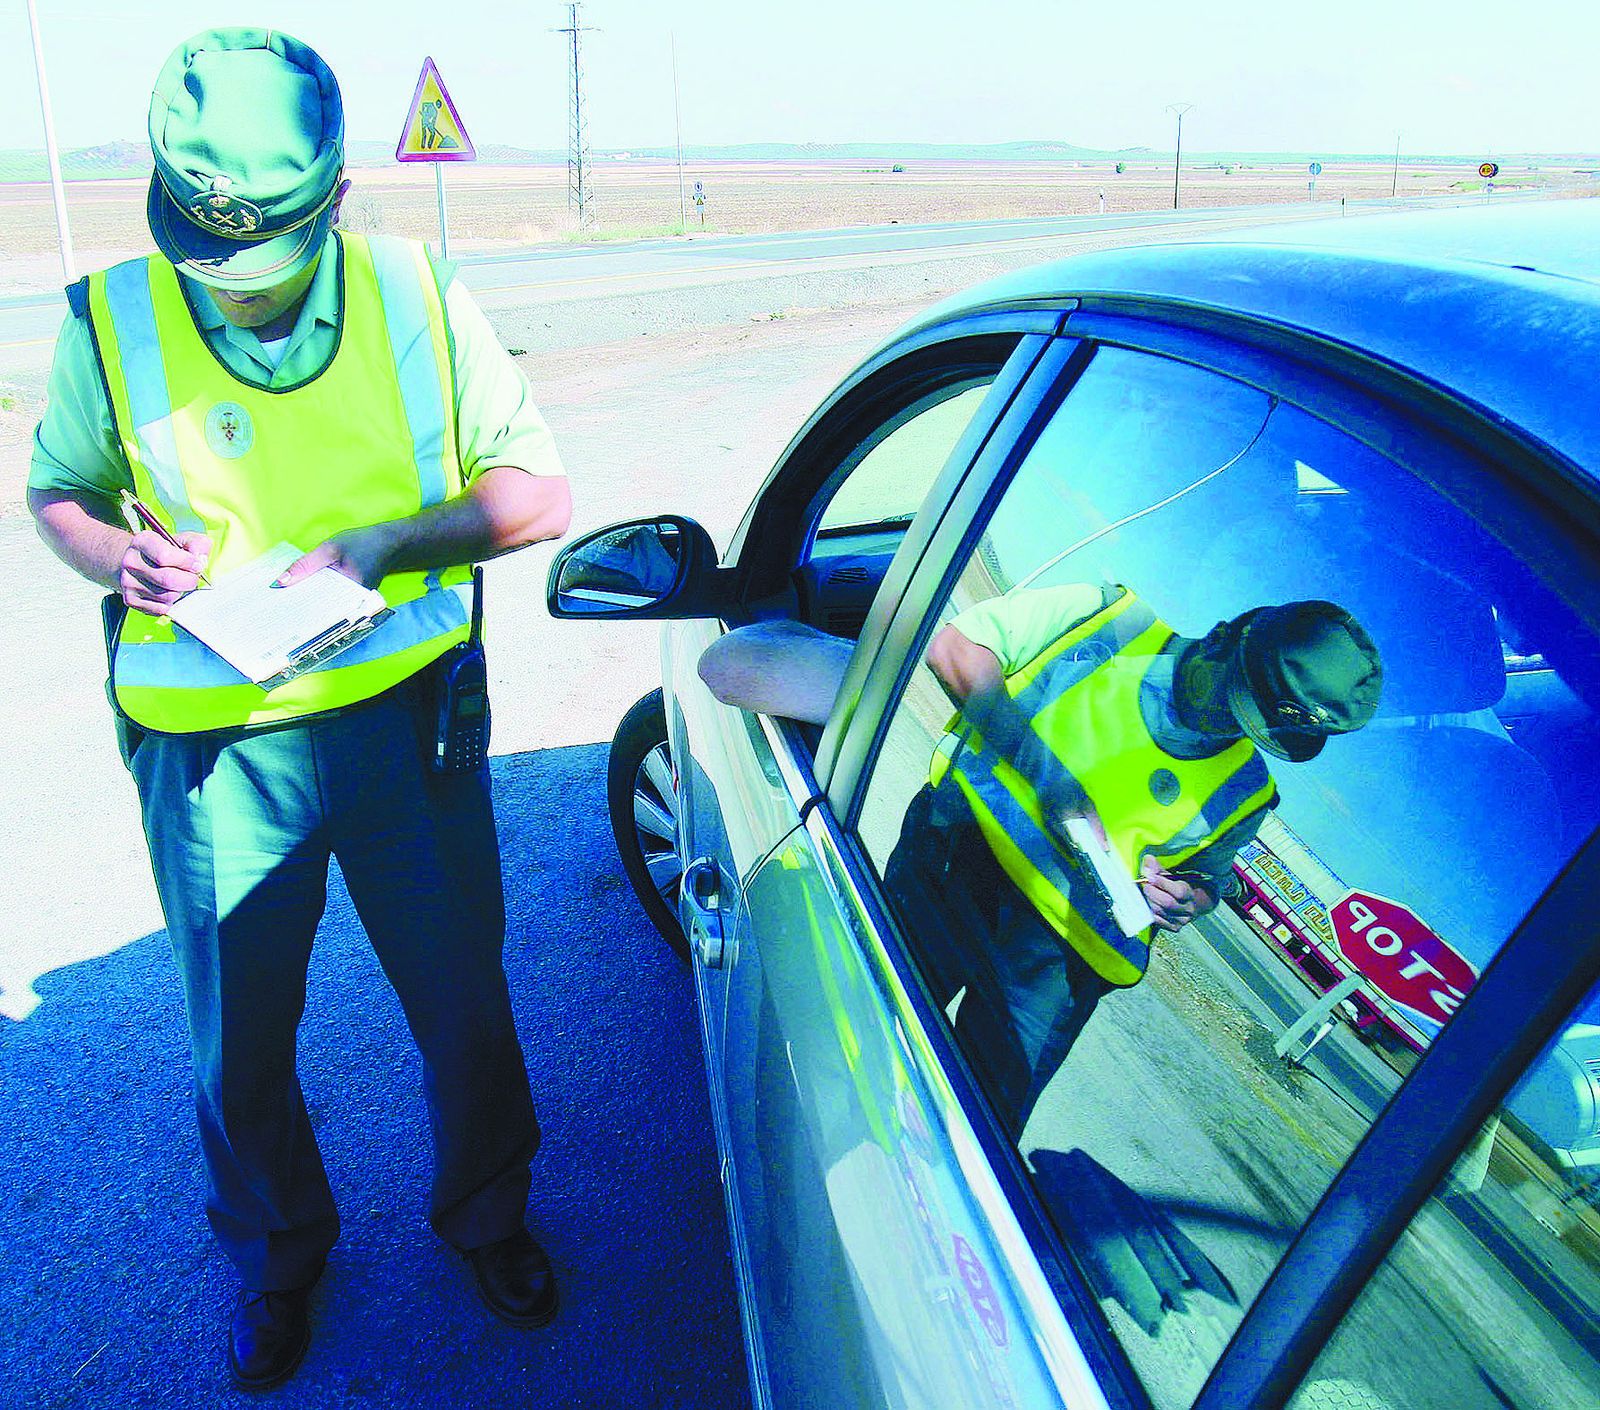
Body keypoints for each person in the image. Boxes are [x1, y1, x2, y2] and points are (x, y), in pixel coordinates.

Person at [26, 30, 572, 1390]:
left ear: (334, 200)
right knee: (240, 1040)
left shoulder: (417, 291)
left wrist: (391, 544)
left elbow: (540, 492)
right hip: (214, 754)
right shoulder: (111, 318)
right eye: (214, 269)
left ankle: (487, 1216)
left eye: (262, 271)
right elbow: (58, 493)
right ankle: (279, 1259)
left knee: (463, 1006)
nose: (237, 303)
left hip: (404, 724)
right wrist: (114, 553)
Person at [884, 583, 1383, 1139]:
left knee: (969, 1136)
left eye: (1258, 726)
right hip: (952, 867)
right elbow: (954, 651)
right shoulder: (1112, 618)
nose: (1230, 723)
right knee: (865, 1031)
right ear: (1224, 637)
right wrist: (1045, 774)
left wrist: (1185, 900)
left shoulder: (1248, 790)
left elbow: (1207, 882)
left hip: (1061, 966)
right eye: (1235, 697)